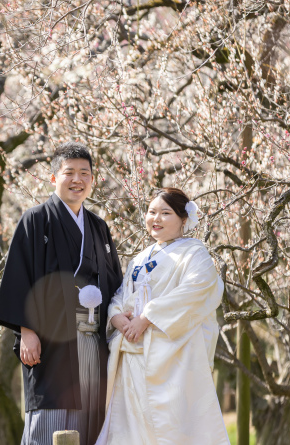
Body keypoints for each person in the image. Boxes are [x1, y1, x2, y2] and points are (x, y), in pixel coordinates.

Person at [0, 142, 124, 445]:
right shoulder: (36, 220)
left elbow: (114, 284)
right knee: (50, 416)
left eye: (84, 173)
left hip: (93, 337)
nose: (77, 180)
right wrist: (26, 331)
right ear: (54, 178)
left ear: (92, 179)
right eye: (69, 173)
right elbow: (18, 276)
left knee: (92, 414)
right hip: (51, 339)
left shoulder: (98, 227)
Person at [94, 188, 229, 445]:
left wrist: (147, 317)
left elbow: (197, 290)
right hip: (132, 358)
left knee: (173, 430)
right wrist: (116, 317)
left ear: (184, 219)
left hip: (172, 360)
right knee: (128, 430)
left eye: (165, 213)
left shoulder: (195, 253)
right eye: (151, 212)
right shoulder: (140, 258)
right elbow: (122, 295)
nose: (156, 218)